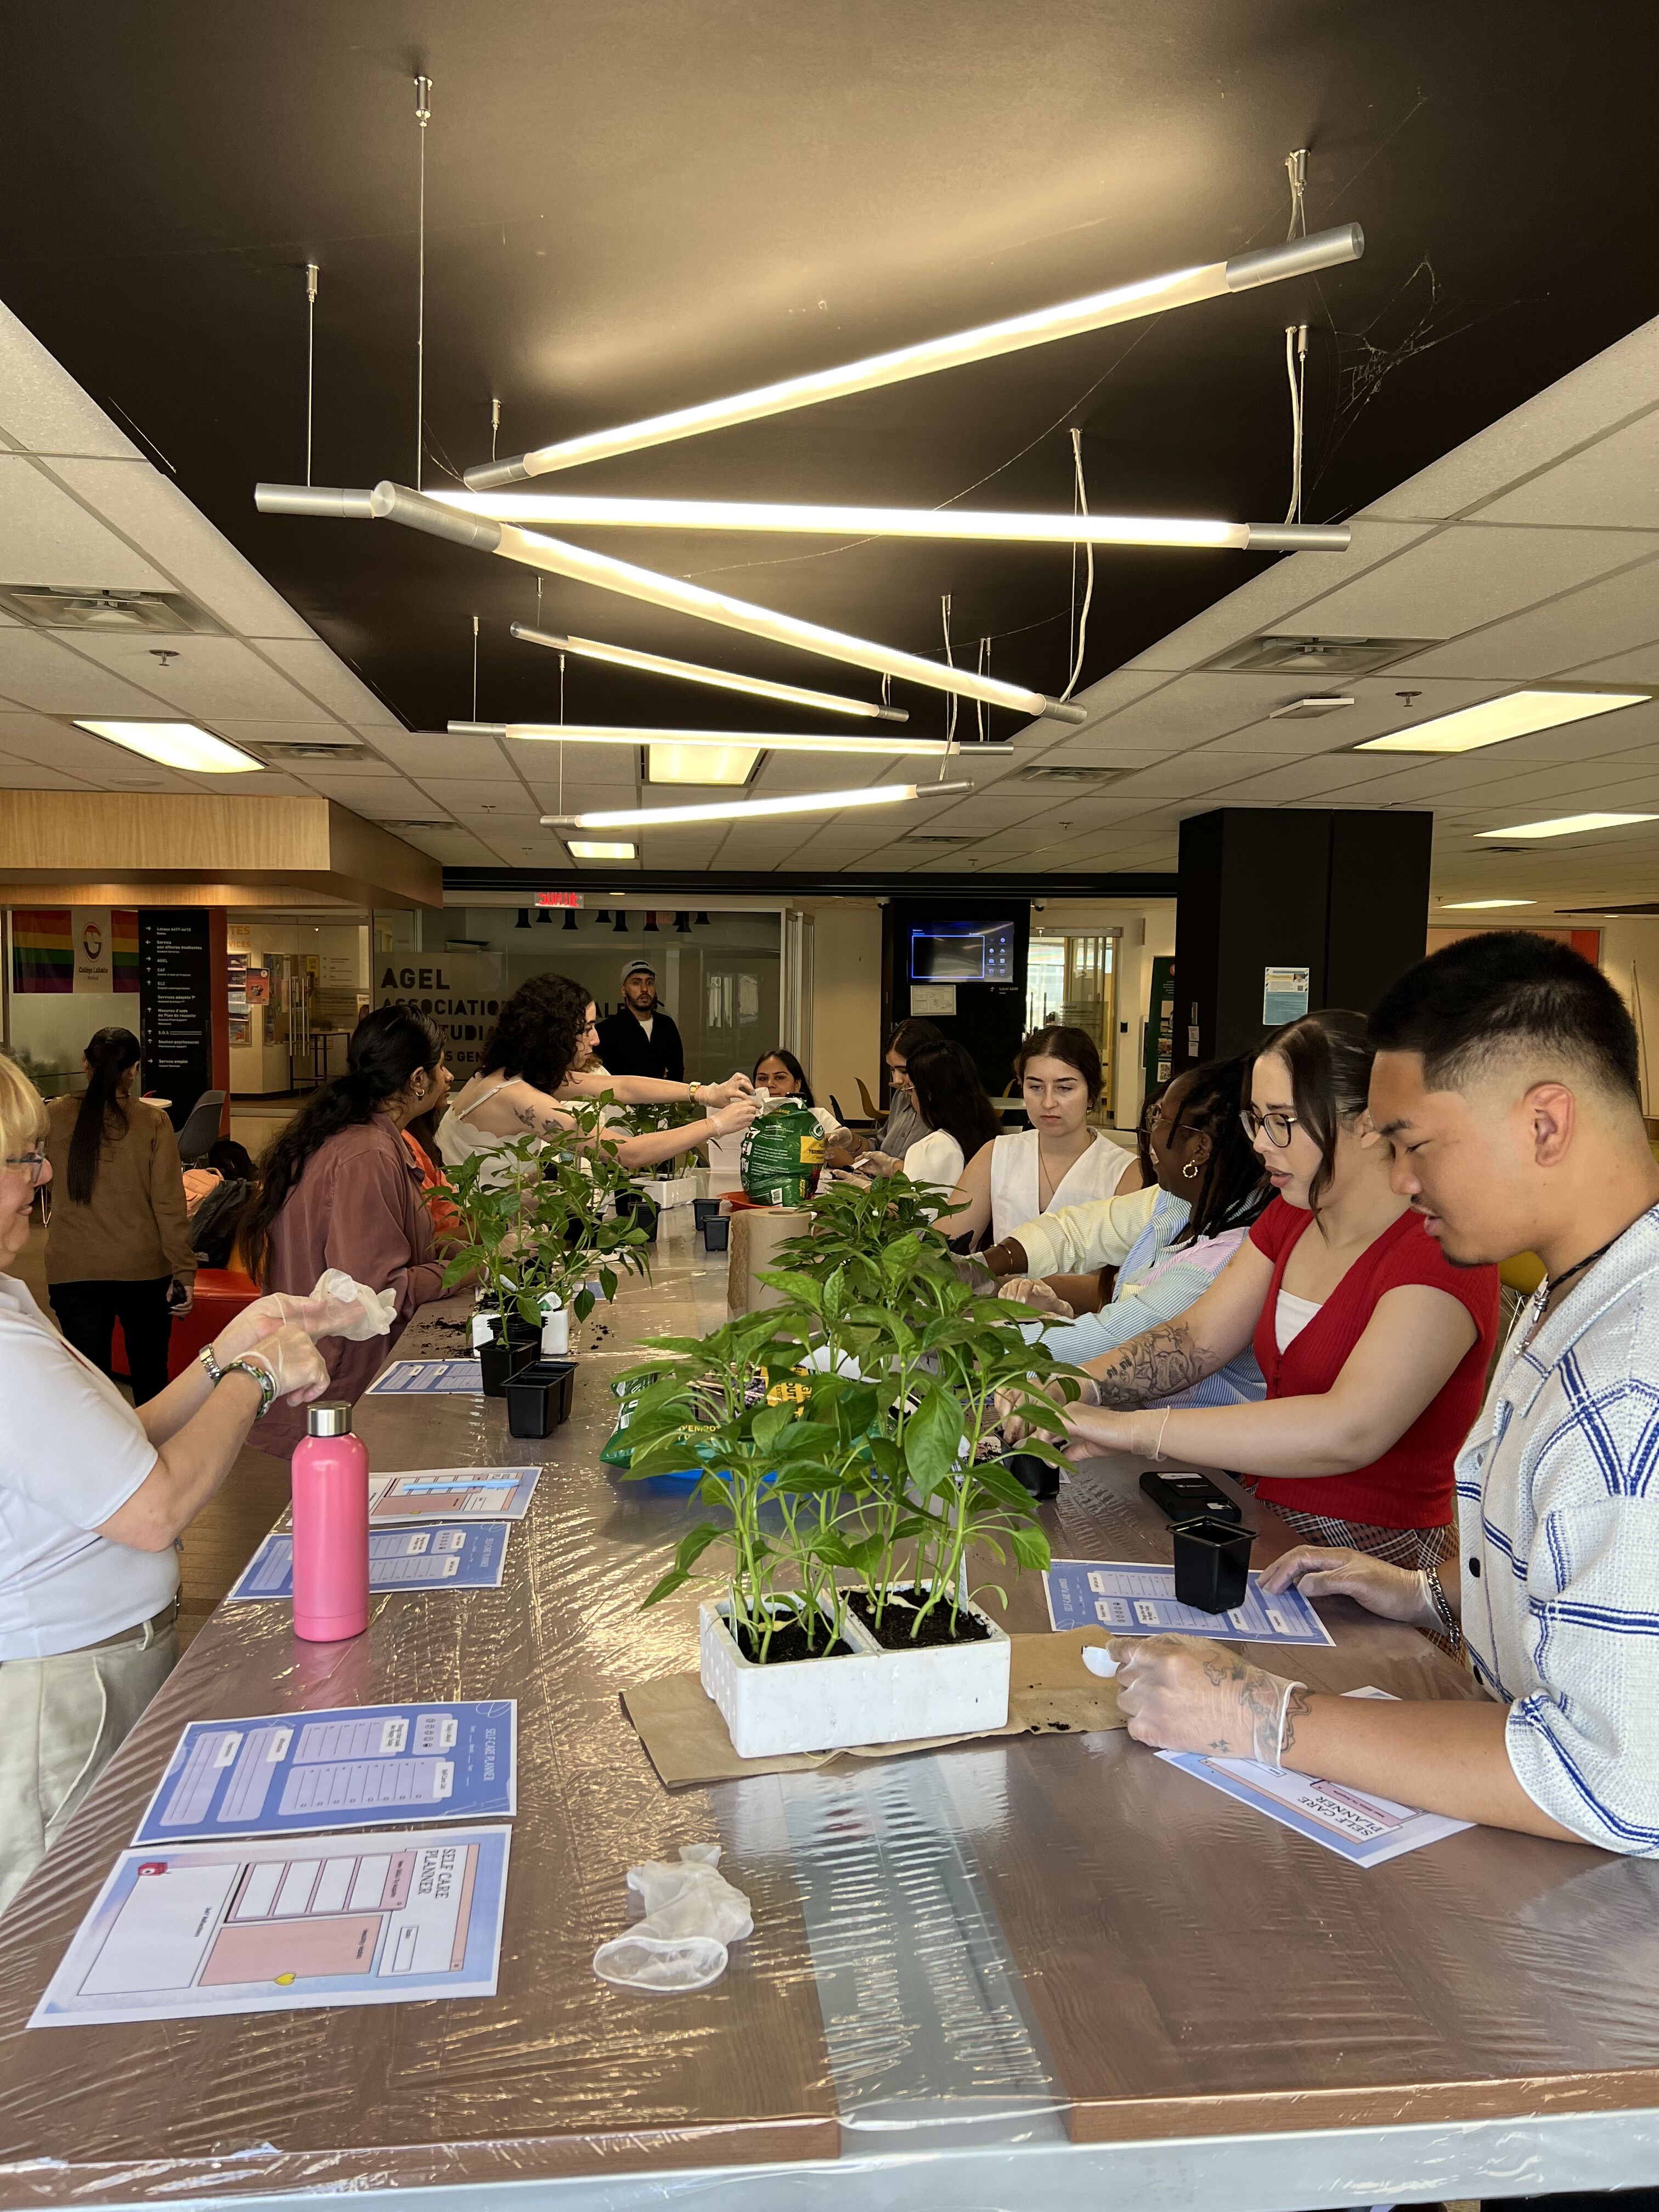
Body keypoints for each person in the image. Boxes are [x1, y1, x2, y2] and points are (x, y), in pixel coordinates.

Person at [1111, 932, 1659, 1860]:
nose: (1400, 1179)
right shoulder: (1577, 1293)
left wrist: (1260, 1715)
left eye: (1415, 1145)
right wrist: (1435, 1596)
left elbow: (1612, 1778)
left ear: (1543, 1122)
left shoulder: (1626, 1379)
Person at [0, 1049, 361, 1915]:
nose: (43, 1174)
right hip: (64, 1693)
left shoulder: (10, 1300)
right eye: (20, 1159)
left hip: (99, 1670)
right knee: (58, 1943)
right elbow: (152, 1507)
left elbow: (115, 1447)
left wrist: (229, 1348)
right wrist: (258, 1381)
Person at [1036, 1010, 1500, 1567]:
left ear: (1369, 1121)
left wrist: (1132, 1430)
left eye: (1281, 1120)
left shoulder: (1439, 1245)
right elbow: (1195, 1339)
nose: (1259, 1143)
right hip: (1263, 1516)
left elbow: (1348, 1429)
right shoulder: (1292, 1216)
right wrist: (1077, 1387)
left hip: (1372, 1553)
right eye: (1255, 1118)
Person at [240, 1006, 462, 1454]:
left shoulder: (365, 1137)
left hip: (336, 1375)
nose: (450, 1076)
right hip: (346, 1383)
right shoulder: (366, 1155)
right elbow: (379, 1296)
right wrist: (472, 1267)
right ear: (418, 1079)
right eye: (441, 1066)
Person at [995, 1056, 1270, 1403]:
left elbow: (1108, 1343)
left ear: (1199, 1149)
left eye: (1161, 1120)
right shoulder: (1180, 1201)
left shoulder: (1225, 1258)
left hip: (1190, 1445)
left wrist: (956, 1335)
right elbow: (1076, 1231)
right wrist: (991, 1265)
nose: (1150, 1134)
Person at [441, 974, 758, 1183]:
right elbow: (628, 1153)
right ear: (555, 1034)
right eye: (586, 1029)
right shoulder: (518, 1097)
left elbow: (620, 1086)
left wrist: (706, 1093)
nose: (595, 1039)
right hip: (479, 1239)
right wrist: (715, 1125)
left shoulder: (513, 1073)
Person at [43, 1026, 198, 1404]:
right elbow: (169, 1204)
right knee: (150, 1376)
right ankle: (152, 1457)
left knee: (89, 1387)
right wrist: (184, 1271)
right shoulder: (153, 1123)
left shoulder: (52, 1117)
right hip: (144, 1270)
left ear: (85, 1063)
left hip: (72, 1270)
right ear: (134, 1070)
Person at [945, 1025, 1125, 1246]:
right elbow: (944, 1249)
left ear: (1091, 1094)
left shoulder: (1123, 1170)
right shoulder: (997, 1154)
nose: (1048, 1103)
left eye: (1065, 1088)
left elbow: (1129, 1273)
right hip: (1002, 1282)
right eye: (1036, 1087)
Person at [856, 1036, 1001, 1194]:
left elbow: (910, 1210)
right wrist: (894, 1168)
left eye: (910, 1089)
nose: (899, 1083)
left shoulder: (935, 1145)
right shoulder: (982, 1127)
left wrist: (863, 1189)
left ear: (929, 1094)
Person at [595, 959, 684, 1081]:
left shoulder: (666, 1025)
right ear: (624, 991)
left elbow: (677, 1069)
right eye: (636, 983)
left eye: (650, 983)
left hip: (662, 1099)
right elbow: (599, 1077)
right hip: (620, 1100)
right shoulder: (607, 1030)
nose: (645, 989)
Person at [752, 1048, 846, 1139]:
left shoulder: (818, 1117)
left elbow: (844, 1155)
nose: (770, 1084)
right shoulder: (745, 1121)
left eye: (780, 1078)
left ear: (797, 1085)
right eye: (763, 1079)